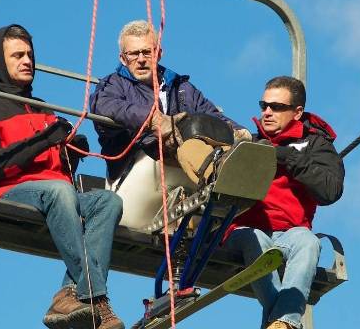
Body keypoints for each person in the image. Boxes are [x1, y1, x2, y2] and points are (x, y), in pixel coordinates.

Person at [0, 24, 124, 329]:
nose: (27, 61)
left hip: (54, 192)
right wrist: (44, 140)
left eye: (30, 55)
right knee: (59, 192)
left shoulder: (44, 110)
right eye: (17, 55)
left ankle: (68, 294)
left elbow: (56, 170)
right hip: (7, 191)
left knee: (108, 201)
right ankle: (97, 299)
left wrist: (70, 153)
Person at [89, 20, 251, 229]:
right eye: (133, 54)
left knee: (204, 131)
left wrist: (237, 131)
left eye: (147, 52)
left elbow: (209, 114)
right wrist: (153, 120)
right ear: (123, 58)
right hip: (136, 170)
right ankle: (223, 180)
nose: (141, 60)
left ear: (159, 53)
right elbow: (106, 107)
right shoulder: (112, 85)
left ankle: (236, 171)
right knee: (187, 140)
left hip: (178, 166)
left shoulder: (181, 88)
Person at [223, 76, 345, 329]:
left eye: (277, 107)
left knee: (309, 242)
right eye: (264, 105)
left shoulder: (314, 146)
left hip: (288, 235)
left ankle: (281, 323)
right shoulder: (249, 143)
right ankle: (286, 320)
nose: (267, 112)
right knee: (255, 239)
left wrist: (290, 159)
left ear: (297, 112)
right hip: (242, 232)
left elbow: (330, 190)